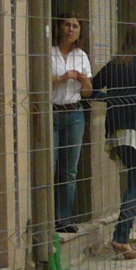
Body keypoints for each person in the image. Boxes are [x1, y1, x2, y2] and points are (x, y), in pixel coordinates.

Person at [94, 22, 136, 259]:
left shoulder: (114, 65)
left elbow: (92, 89)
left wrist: (112, 98)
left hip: (117, 130)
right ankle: (121, 237)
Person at [50, 15, 94, 232]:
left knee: (69, 170)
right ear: (59, 27)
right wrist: (62, 77)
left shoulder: (81, 56)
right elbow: (40, 81)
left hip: (74, 113)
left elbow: (88, 92)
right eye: (67, 25)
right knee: (51, 165)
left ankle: (64, 219)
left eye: (75, 26)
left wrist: (82, 79)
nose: (71, 29)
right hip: (53, 112)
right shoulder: (49, 53)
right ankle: (48, 217)